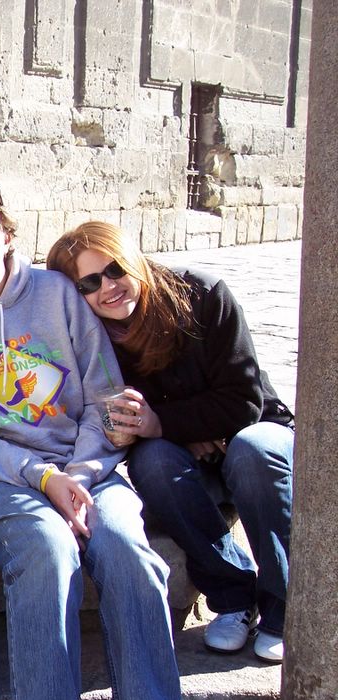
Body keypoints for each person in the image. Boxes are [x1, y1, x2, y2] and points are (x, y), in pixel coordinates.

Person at [0, 172, 190, 700]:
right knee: (46, 549)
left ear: (8, 235)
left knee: (129, 554)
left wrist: (81, 476)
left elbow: (106, 400)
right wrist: (42, 479)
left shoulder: (57, 295)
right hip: (0, 484)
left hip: (91, 470)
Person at [47, 220, 294, 663]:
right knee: (153, 462)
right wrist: (165, 430)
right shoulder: (91, 336)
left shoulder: (203, 295)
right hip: (184, 457)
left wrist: (164, 423)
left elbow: (243, 400)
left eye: (115, 269)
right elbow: (118, 419)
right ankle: (233, 596)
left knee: (253, 450)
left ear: (133, 259)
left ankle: (282, 608)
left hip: (253, 436)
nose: (108, 287)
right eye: (89, 282)